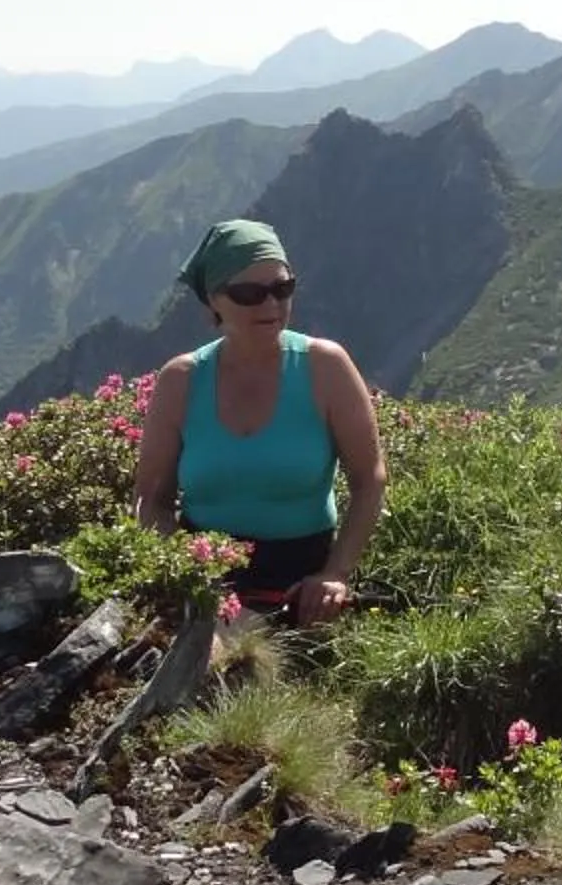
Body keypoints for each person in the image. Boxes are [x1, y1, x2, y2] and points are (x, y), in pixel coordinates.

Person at [132, 218, 387, 625]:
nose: (270, 305)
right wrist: (186, 577)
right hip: (205, 578)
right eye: (249, 293)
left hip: (304, 587)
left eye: (282, 289)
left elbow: (369, 479)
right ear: (214, 301)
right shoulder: (180, 380)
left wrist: (335, 575)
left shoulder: (326, 367)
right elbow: (150, 500)